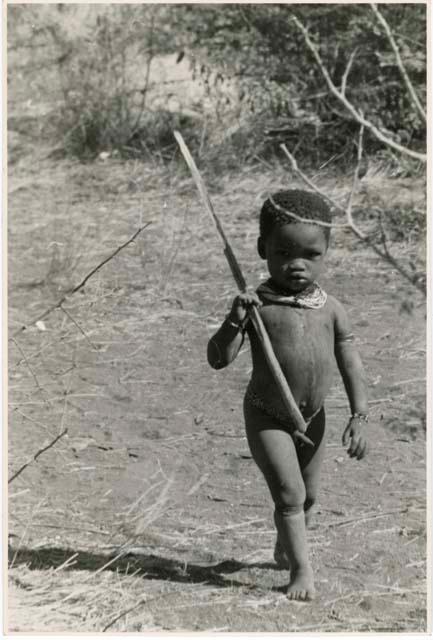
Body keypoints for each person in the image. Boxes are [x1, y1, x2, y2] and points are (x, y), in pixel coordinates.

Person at [207, 189, 368, 601]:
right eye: (283, 252)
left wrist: (359, 415)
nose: (297, 264)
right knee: (291, 494)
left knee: (309, 495)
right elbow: (218, 359)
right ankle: (301, 572)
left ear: (327, 251)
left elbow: (350, 364)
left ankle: (286, 537)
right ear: (263, 249)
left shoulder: (331, 309)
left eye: (311, 255)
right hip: (267, 415)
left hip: (315, 418)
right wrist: (234, 320)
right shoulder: (257, 305)